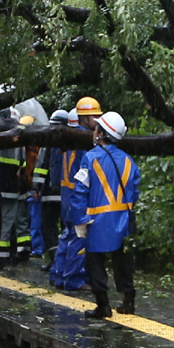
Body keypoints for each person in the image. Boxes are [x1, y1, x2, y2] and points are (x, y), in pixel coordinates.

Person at [70, 111, 140, 319]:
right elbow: (134, 190)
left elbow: (80, 191)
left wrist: (80, 219)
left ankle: (103, 305)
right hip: (122, 219)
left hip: (97, 220)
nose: (93, 132)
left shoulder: (90, 159)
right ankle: (128, 300)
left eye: (96, 129)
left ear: (101, 134)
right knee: (120, 259)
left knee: (95, 261)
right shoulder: (129, 161)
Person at [49, 105, 94, 290]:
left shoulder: (66, 140)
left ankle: (58, 274)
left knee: (67, 236)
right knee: (78, 237)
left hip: (67, 195)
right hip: (77, 196)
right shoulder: (83, 141)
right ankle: (74, 278)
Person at [0, 109, 30, 268]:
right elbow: (22, 163)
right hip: (12, 187)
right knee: (7, 225)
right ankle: (2, 258)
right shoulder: (19, 137)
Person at [33, 110, 67, 270]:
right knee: (66, 228)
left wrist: (37, 187)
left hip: (49, 193)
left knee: (48, 227)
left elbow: (41, 165)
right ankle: (64, 261)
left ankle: (55, 260)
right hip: (67, 193)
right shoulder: (74, 142)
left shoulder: (48, 142)